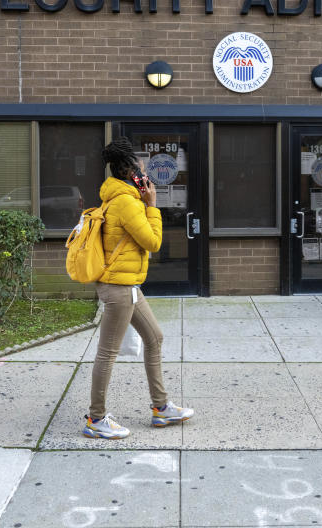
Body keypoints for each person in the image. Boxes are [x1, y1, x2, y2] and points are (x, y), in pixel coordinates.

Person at [84, 137, 194, 439]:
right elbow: (153, 242)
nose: (146, 171)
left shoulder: (118, 198)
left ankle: (161, 408)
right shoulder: (126, 203)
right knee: (108, 352)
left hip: (128, 284)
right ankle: (96, 418)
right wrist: (152, 204)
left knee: (154, 338)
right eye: (142, 167)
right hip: (119, 287)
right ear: (133, 173)